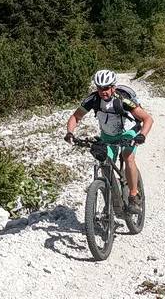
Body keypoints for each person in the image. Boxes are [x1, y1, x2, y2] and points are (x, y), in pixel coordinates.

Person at [64, 69, 154, 213]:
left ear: (113, 87)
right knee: (105, 163)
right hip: (108, 134)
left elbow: (147, 119)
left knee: (128, 156)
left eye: (106, 88)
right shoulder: (93, 99)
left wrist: (141, 135)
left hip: (128, 132)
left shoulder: (123, 99)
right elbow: (76, 117)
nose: (102, 91)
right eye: (99, 88)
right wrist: (70, 132)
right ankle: (111, 203)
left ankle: (133, 196)